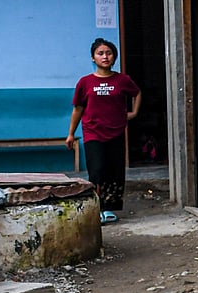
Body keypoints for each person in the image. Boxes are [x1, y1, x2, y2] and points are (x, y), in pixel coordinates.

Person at [66, 38, 140, 225]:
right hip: (93, 132)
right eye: (100, 53)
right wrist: (71, 133)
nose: (105, 56)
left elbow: (136, 93)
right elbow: (78, 109)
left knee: (114, 171)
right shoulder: (85, 82)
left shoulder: (122, 80)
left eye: (108, 53)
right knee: (97, 170)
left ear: (114, 57)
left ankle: (109, 208)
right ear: (93, 58)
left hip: (116, 131)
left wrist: (134, 112)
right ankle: (96, 207)